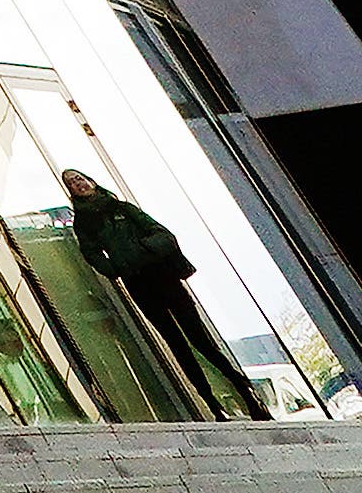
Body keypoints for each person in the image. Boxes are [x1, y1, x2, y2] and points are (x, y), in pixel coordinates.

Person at [62, 169, 256, 415]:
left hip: (163, 277)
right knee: (177, 344)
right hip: (139, 285)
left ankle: (245, 392)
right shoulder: (84, 223)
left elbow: (164, 234)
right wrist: (117, 267)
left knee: (201, 340)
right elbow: (91, 254)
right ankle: (211, 405)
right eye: (71, 183)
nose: (78, 184)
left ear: (91, 181)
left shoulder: (122, 208)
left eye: (79, 178)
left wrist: (142, 251)